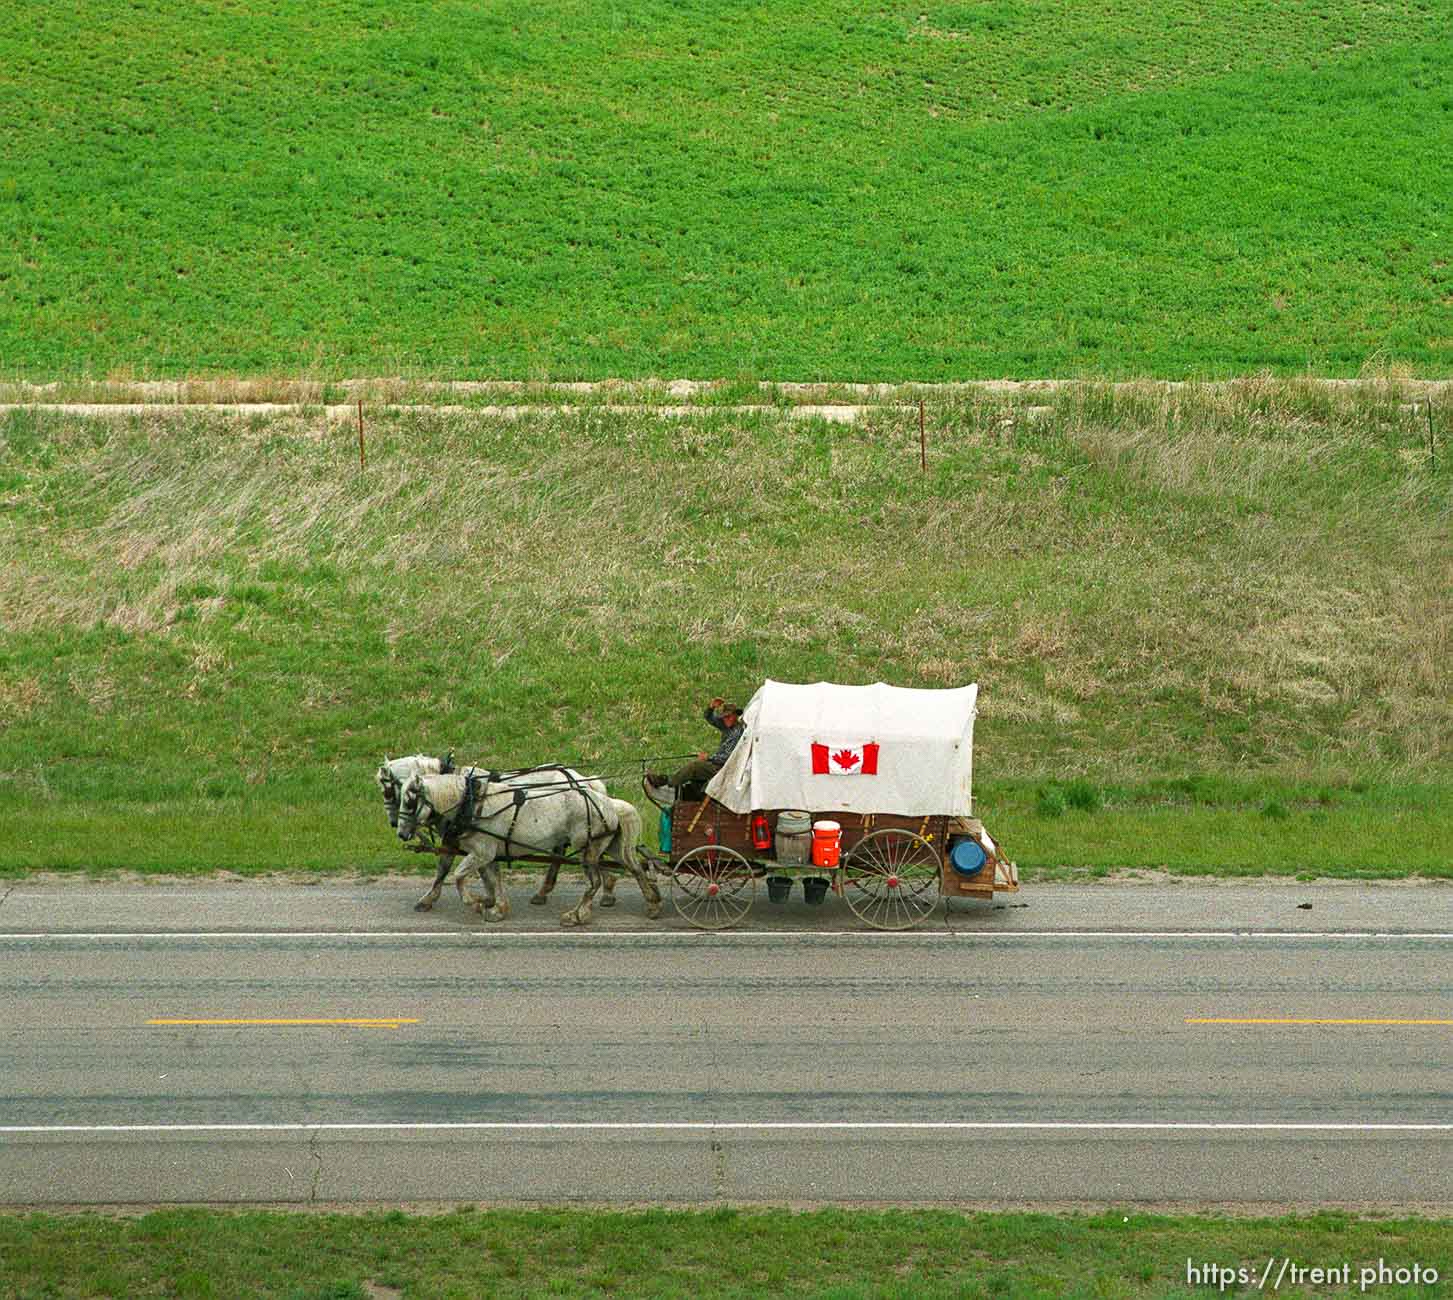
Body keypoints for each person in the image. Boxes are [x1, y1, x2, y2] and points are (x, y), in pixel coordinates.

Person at [648, 697, 745, 794]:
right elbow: (709, 718)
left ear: (735, 715)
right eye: (724, 717)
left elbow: (727, 757)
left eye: (728, 717)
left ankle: (666, 782)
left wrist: (709, 758)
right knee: (696, 768)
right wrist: (711, 707)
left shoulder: (737, 732)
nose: (725, 719)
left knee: (695, 766)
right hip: (718, 765)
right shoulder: (727, 727)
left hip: (724, 769)